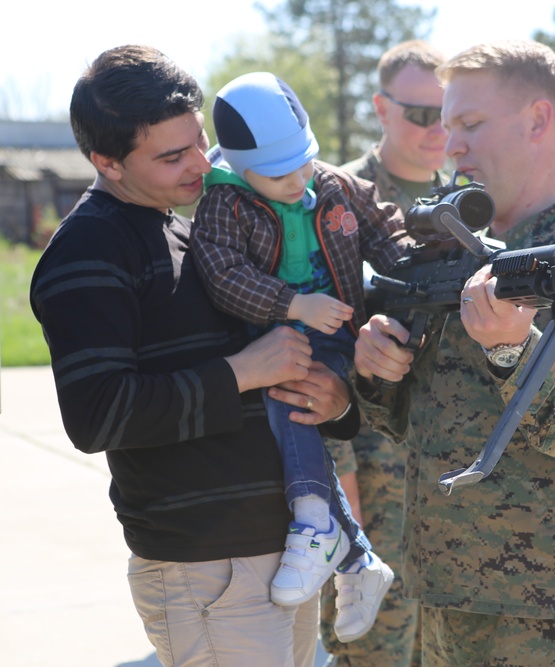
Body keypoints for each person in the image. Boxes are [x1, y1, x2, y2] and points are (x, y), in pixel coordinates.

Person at [353, 39, 555, 666]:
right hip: (448, 605)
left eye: (471, 124)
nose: (451, 146)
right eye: (448, 126)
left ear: (538, 120)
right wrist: (378, 372)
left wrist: (514, 350)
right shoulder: (461, 255)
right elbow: (425, 420)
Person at [30, 45, 359, 667]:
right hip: (207, 567)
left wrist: (336, 400)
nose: (201, 164)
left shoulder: (190, 229)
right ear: (106, 162)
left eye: (200, 141)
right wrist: (245, 371)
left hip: (280, 553)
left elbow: (276, 369)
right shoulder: (89, 247)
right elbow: (97, 415)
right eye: (172, 156)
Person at [190, 71, 405, 643]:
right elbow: (222, 275)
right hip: (272, 334)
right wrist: (292, 304)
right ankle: (347, 551)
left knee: (296, 400)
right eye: (277, 172)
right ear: (240, 165)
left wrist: (420, 266)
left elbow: (388, 231)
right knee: (291, 405)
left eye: (303, 162)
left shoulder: (333, 186)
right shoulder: (224, 203)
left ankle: (322, 529)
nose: (296, 180)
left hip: (334, 334)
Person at [320, 39, 448, 667]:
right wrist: (340, 484)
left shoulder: (471, 204)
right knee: (374, 650)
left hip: (451, 476)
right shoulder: (335, 202)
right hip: (372, 472)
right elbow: (315, 358)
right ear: (381, 108)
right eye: (421, 114)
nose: (437, 130)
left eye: (449, 114)